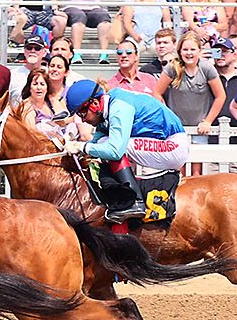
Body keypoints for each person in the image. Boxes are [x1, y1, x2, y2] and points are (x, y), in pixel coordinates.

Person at [61, 79, 189, 222]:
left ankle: (135, 202)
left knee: (110, 144)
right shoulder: (106, 109)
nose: (83, 120)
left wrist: (81, 146)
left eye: (83, 113)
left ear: (95, 104)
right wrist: (76, 149)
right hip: (165, 143)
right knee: (104, 142)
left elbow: (115, 151)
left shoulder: (118, 108)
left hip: (173, 146)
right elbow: (95, 143)